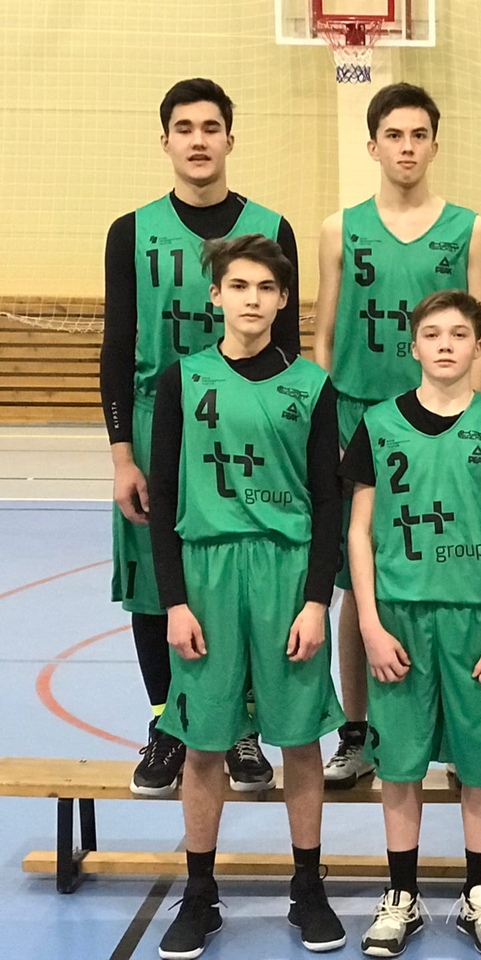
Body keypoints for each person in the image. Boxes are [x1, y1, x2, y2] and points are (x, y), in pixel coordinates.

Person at [148, 234, 346, 958]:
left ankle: (308, 887)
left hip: (286, 574)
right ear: (216, 296)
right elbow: (163, 495)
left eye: (266, 287)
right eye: (239, 286)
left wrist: (317, 601)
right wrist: (174, 601)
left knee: (299, 739)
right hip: (207, 572)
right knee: (204, 743)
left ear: (284, 299)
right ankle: (200, 893)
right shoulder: (183, 378)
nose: (252, 299)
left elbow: (327, 502)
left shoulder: (312, 385)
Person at [102, 78, 296, 797]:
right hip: (156, 419)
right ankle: (169, 724)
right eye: (184, 128)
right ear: (166, 142)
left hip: (243, 423)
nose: (198, 140)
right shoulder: (131, 230)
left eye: (211, 127)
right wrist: (122, 456)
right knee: (156, 584)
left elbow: (290, 347)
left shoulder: (270, 227)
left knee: (237, 576)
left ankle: (240, 727)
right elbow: (117, 346)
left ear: (230, 140)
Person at [343, 289, 481, 957]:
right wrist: (369, 624)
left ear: (480, 346)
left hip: (476, 618)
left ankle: (479, 893)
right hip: (400, 618)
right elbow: (360, 531)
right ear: (414, 346)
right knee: (399, 763)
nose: (447, 345)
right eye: (433, 334)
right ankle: (401, 895)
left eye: (460, 334)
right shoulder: (377, 424)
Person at [314, 82, 481, 789]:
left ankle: (460, 733)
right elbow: (324, 334)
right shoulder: (340, 228)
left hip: (447, 422)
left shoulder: (469, 228)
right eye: (394, 135)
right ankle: (357, 733)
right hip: (363, 415)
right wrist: (323, 425)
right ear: (373, 146)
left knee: (451, 572)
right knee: (358, 580)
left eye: (419, 135)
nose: (407, 147)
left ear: (435, 146)